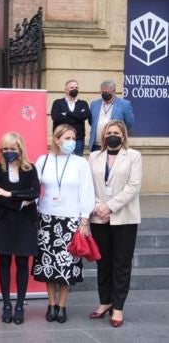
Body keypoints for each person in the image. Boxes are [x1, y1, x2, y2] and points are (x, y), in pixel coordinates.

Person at [32, 124, 95, 323]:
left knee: (66, 265)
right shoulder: (43, 161)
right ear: (57, 139)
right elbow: (34, 189)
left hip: (71, 220)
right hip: (46, 218)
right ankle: (51, 304)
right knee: (48, 264)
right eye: (67, 138)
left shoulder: (80, 163)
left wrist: (84, 220)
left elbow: (87, 191)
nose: (71, 142)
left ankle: (62, 306)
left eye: (73, 138)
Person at [88, 120, 142, 328]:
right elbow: (87, 186)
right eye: (109, 132)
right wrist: (99, 207)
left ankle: (118, 307)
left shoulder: (134, 156)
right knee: (104, 263)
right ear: (103, 136)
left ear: (123, 136)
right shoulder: (93, 156)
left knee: (121, 264)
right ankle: (104, 302)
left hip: (124, 218)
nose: (112, 135)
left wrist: (109, 206)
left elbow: (133, 187)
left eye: (116, 132)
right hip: (99, 217)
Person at [0, 132, 40, 325]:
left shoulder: (30, 168)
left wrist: (9, 193)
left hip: (25, 223)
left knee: (21, 264)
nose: (9, 152)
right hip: (3, 222)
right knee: (3, 264)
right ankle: (6, 305)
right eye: (5, 149)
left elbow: (35, 192)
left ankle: (19, 305)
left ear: (20, 149)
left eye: (12, 148)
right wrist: (20, 202)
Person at [89, 80, 134, 151]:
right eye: (103, 92)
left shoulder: (124, 104)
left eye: (107, 92)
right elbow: (91, 121)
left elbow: (129, 124)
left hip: (115, 144)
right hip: (96, 145)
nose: (105, 94)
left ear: (114, 91)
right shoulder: (94, 104)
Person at [50, 79, 91, 156]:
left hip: (78, 140)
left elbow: (84, 116)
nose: (75, 89)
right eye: (72, 87)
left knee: (77, 163)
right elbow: (56, 118)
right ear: (66, 90)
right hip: (61, 139)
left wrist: (67, 114)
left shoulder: (83, 103)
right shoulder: (57, 103)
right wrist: (77, 117)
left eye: (76, 88)